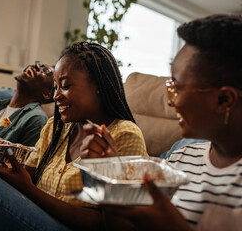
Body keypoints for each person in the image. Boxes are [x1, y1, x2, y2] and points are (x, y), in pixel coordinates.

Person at [0, 41, 147, 231]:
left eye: (66, 86)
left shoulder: (125, 135)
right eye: (55, 88)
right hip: (34, 212)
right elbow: (26, 177)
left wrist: (29, 190)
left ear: (98, 87)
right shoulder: (55, 127)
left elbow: (107, 225)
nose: (55, 96)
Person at [101, 14, 242, 231]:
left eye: (176, 87)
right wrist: (110, 181)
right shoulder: (181, 159)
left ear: (223, 100)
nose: (171, 101)